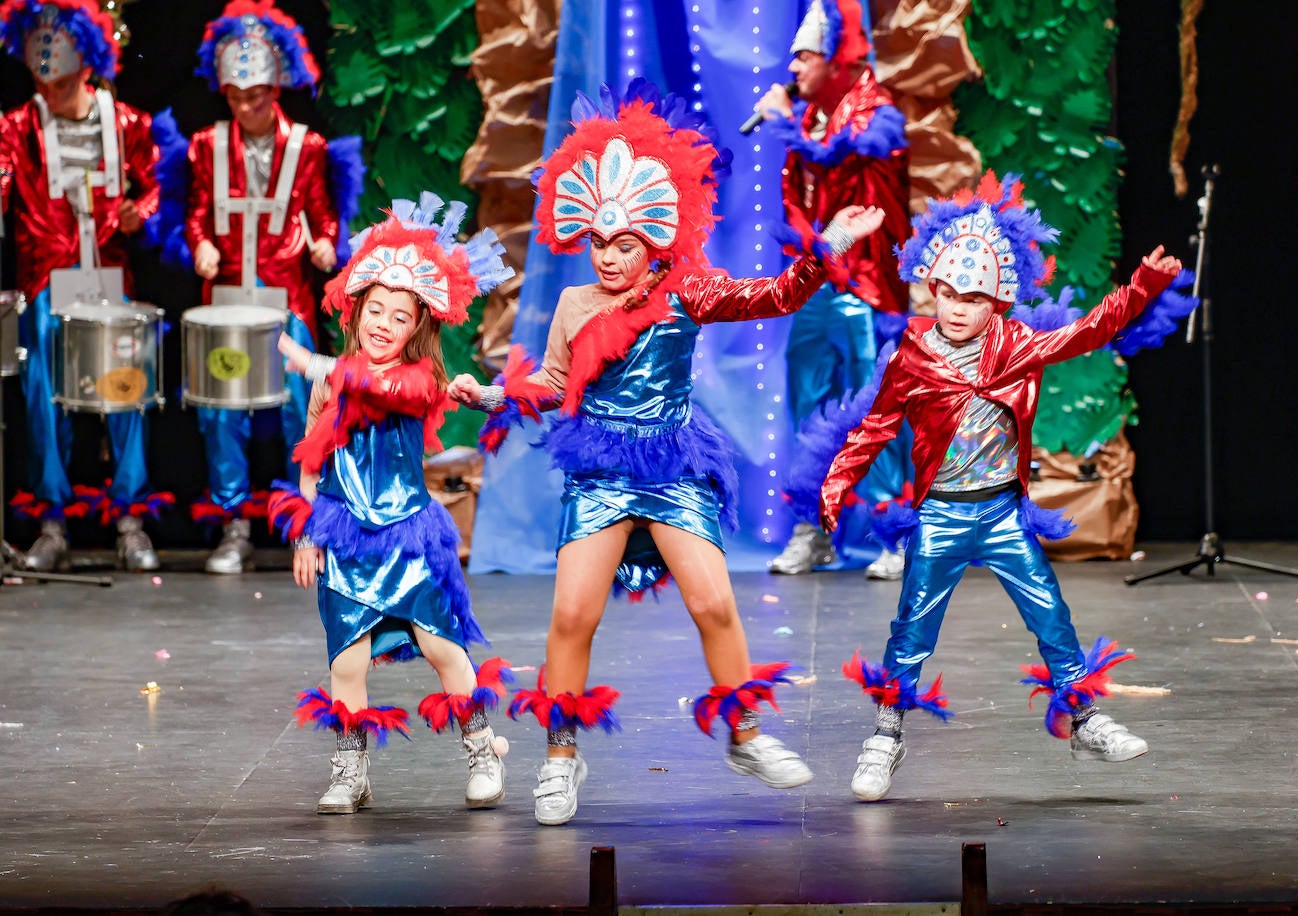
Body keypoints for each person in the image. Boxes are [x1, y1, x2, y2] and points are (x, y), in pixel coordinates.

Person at [452, 80, 883, 826]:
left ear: (653, 239)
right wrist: (490, 396)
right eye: (598, 243)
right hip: (601, 468)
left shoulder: (688, 291)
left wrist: (829, 248)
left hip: (674, 465)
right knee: (571, 616)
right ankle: (561, 756)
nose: (611, 257)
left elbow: (775, 295)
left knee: (715, 602)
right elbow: (553, 384)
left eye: (625, 244)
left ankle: (745, 734)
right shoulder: (575, 306)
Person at [819, 172, 1181, 802]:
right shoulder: (911, 356)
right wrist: (836, 484)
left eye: (973, 298)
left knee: (1051, 614)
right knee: (912, 628)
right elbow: (875, 426)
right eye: (948, 294)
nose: (958, 308)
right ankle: (885, 734)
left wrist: (1141, 286)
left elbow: (1089, 331)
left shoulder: (1018, 347)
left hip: (1002, 515)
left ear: (998, 303)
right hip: (940, 516)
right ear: (931, 288)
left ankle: (1086, 720)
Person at [270, 193, 515, 815]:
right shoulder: (332, 381)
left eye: (398, 317)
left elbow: (381, 389)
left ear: (417, 330)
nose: (383, 322)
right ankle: (350, 770)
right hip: (347, 537)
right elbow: (312, 458)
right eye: (374, 309)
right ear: (355, 315)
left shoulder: (418, 380)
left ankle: (483, 750)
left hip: (406, 535)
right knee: (347, 662)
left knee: (443, 650)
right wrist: (307, 533)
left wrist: (315, 361)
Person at [181, 0, 359, 574]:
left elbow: (324, 214)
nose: (246, 107)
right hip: (227, 302)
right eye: (235, 97)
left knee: (295, 412)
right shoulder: (207, 145)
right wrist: (201, 243)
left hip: (287, 300)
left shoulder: (305, 147)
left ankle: (298, 516)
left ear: (277, 86)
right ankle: (234, 524)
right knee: (221, 412)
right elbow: (196, 212)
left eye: (256, 95)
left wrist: (328, 244)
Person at [0, 0, 166, 571]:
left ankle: (129, 518)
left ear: (89, 66)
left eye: (63, 81)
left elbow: (157, 188)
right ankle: (52, 520)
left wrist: (140, 212)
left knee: (125, 388)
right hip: (46, 278)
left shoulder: (128, 125)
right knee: (44, 392)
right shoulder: (16, 129)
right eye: (43, 80)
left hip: (109, 275)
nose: (51, 91)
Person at [755, 0, 914, 580]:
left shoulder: (876, 111)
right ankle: (814, 529)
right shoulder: (812, 116)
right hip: (822, 284)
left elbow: (849, 169)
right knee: (809, 406)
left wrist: (785, 127)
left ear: (833, 59)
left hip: (869, 288)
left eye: (803, 56)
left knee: (876, 409)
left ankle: (894, 535)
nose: (792, 68)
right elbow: (800, 195)